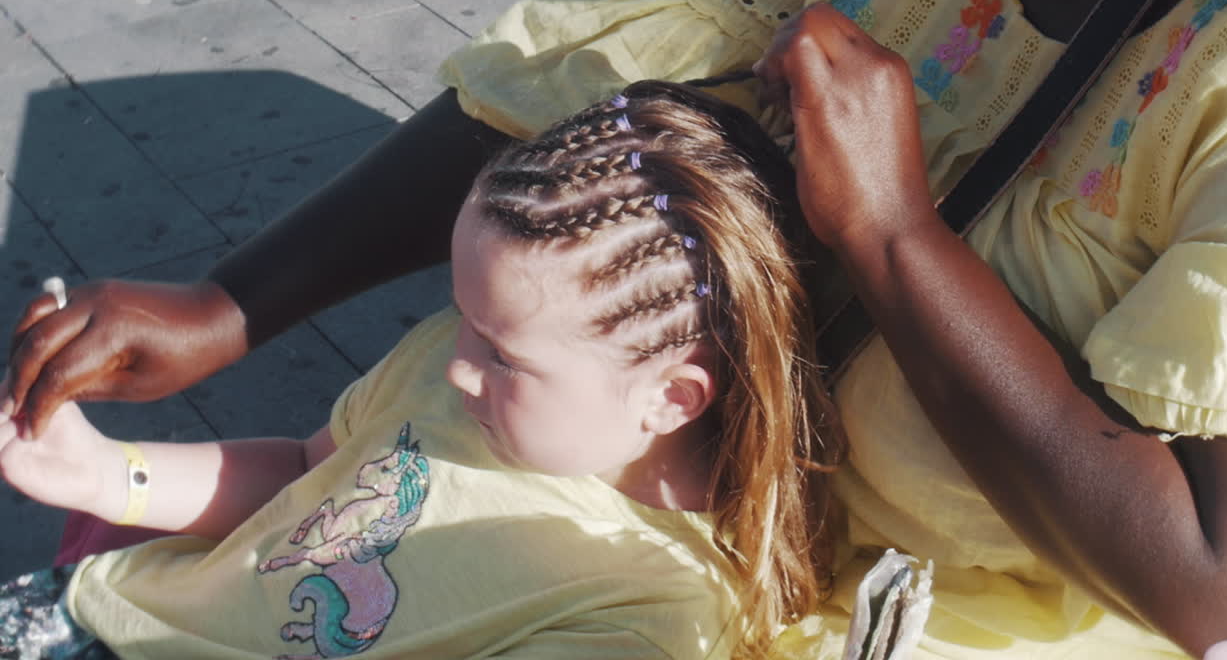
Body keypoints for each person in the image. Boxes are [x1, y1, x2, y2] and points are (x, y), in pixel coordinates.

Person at [6, 0, 1227, 657]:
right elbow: (575, 82)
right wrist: (231, 305)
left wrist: (893, 239)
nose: (462, 364)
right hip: (684, 497)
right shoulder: (488, 411)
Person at [0, 81, 845, 659]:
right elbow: (303, 472)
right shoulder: (459, 374)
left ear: (670, 397)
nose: (456, 365)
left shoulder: (649, 610)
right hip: (102, 613)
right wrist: (110, 473)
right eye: (464, 318)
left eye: (501, 351)